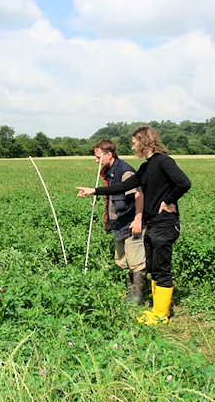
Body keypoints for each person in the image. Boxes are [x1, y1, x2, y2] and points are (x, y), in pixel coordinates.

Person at [77, 127, 191, 325]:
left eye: (134, 142)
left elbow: (184, 183)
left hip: (165, 225)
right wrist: (94, 190)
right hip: (152, 224)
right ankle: (157, 309)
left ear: (144, 141)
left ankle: (161, 315)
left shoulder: (164, 161)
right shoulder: (147, 167)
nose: (132, 146)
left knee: (162, 269)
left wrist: (168, 201)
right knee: (154, 268)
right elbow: (123, 187)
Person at [92, 139, 147, 305]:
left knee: (136, 262)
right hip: (119, 224)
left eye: (98, 156)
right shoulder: (109, 171)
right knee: (123, 260)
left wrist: (138, 219)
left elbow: (138, 195)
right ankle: (130, 294)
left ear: (109, 154)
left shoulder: (125, 172)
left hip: (131, 224)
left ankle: (137, 298)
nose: (96, 160)